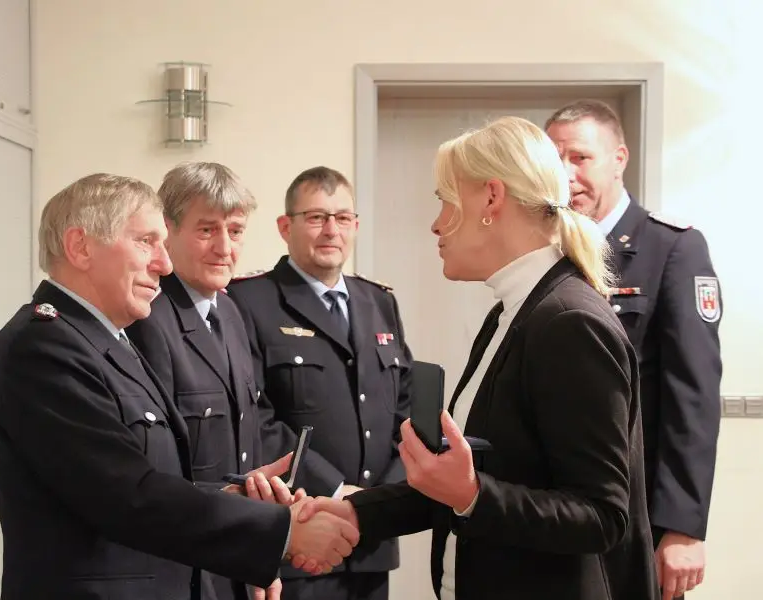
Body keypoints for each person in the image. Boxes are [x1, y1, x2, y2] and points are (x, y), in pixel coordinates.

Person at [293, 116, 659, 600]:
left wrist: (472, 494)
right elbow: (469, 482)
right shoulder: (513, 312)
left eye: (444, 201)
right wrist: (359, 512)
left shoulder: (569, 321)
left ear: (490, 198)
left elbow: (601, 516)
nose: (436, 223)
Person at [0, 172, 359, 600]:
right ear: (80, 247)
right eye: (146, 242)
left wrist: (234, 497)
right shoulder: (44, 349)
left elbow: (149, 478)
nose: (163, 263)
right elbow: (127, 496)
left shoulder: (108, 340)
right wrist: (280, 534)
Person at [545, 99, 722, 600]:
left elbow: (693, 396)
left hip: (636, 513)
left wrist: (683, 527)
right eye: (554, 159)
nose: (566, 174)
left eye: (580, 158)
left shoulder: (672, 249)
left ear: (619, 158)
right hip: (556, 511)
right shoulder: (550, 252)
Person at [226, 166, 413, 600]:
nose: (331, 230)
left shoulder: (379, 301)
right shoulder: (249, 301)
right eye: (316, 217)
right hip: (299, 532)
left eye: (342, 218)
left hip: (371, 540)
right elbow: (255, 414)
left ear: (356, 226)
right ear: (284, 226)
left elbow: (403, 412)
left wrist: (377, 503)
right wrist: (335, 491)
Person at [125, 161, 296, 600]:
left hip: (230, 557)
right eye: (207, 230)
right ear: (168, 230)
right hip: (182, 567)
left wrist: (256, 557)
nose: (225, 247)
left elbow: (248, 440)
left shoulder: (230, 312)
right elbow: (154, 474)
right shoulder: (150, 320)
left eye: (235, 231)